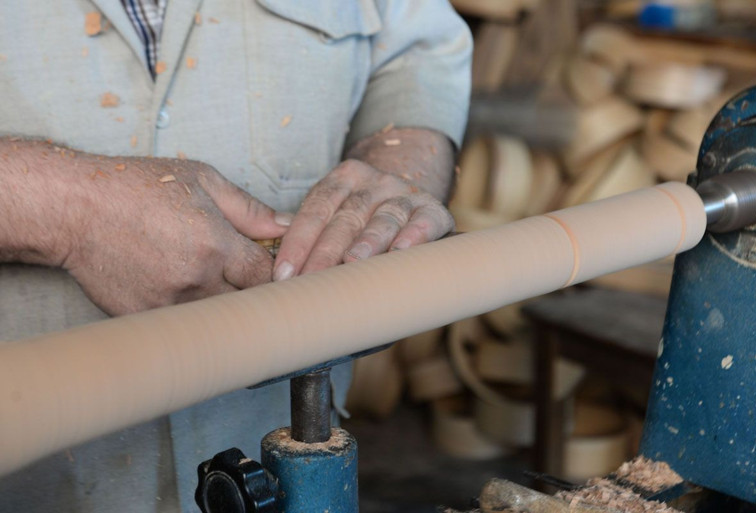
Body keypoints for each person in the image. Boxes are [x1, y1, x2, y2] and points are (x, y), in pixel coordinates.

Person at [0, 1, 471, 511]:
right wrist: (70, 207)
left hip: (281, 432)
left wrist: (396, 169)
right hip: (33, 467)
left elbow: (418, 53)